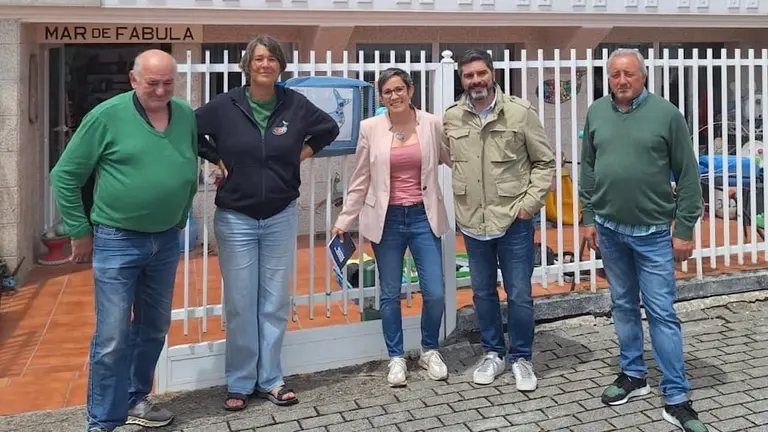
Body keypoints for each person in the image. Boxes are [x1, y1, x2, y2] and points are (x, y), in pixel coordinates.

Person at [50, 49, 198, 432]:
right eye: (152, 83)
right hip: (118, 240)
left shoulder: (183, 114)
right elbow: (65, 175)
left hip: (165, 240)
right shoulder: (106, 116)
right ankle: (102, 421)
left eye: (168, 82)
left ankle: (136, 398)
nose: (161, 90)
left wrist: (180, 215)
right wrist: (79, 232)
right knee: (113, 335)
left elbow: (187, 161)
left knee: (153, 327)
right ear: (134, 80)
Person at [195, 35, 340, 411]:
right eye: (258, 59)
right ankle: (241, 381)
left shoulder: (294, 104)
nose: (265, 64)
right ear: (248, 64)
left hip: (279, 215)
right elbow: (191, 131)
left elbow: (328, 129)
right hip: (236, 218)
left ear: (281, 65)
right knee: (242, 304)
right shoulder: (226, 105)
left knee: (274, 302)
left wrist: (300, 153)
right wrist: (216, 158)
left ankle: (271, 379)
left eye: (272, 59)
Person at [579, 48, 707, 432]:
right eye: (615, 74)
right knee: (621, 304)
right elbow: (588, 167)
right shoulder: (597, 111)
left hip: (653, 234)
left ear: (643, 76)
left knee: (663, 314)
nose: (621, 81)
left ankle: (677, 397)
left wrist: (684, 228)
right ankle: (633, 375)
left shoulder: (666, 115)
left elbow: (687, 175)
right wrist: (588, 219)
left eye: (629, 74)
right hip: (610, 230)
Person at [332, 68, 452, 387]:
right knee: (388, 293)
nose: (394, 96)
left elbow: (454, 159)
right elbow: (360, 179)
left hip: (423, 217)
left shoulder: (432, 123)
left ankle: (429, 350)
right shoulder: (370, 128)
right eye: (388, 92)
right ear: (381, 97)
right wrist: (345, 219)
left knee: (435, 291)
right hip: (386, 220)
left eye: (399, 89)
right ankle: (396, 357)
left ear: (410, 90)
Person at [443, 48, 555, 390]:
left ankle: (521, 357)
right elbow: (452, 162)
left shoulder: (520, 113)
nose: (475, 80)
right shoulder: (452, 117)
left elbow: (545, 163)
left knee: (519, 293)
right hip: (474, 224)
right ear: (461, 79)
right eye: (468, 75)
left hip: (514, 222)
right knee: (482, 293)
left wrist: (528, 206)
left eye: (481, 73)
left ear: (492, 74)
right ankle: (493, 353)